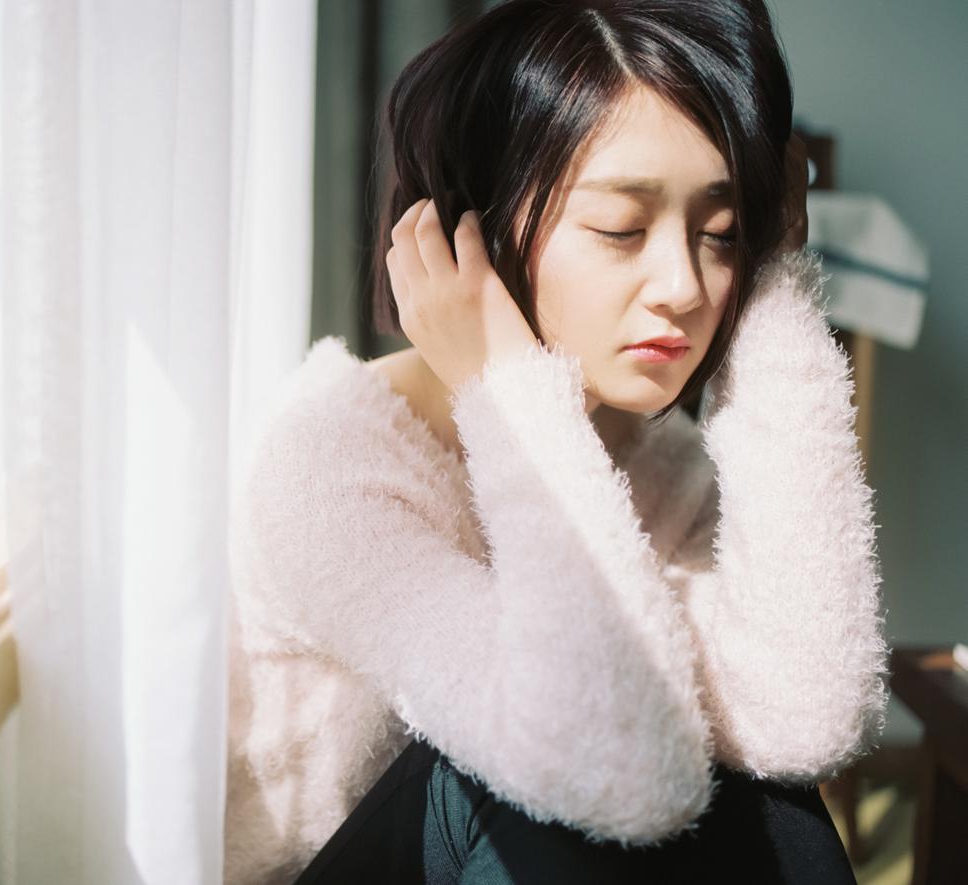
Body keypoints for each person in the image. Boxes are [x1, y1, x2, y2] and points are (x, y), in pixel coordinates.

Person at [224, 1, 890, 882]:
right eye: (621, 229)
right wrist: (505, 382)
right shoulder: (330, 463)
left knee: (764, 795)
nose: (684, 286)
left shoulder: (663, 465)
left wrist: (777, 293)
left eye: (722, 235)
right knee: (549, 753)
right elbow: (604, 760)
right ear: (470, 233)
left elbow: (802, 714)